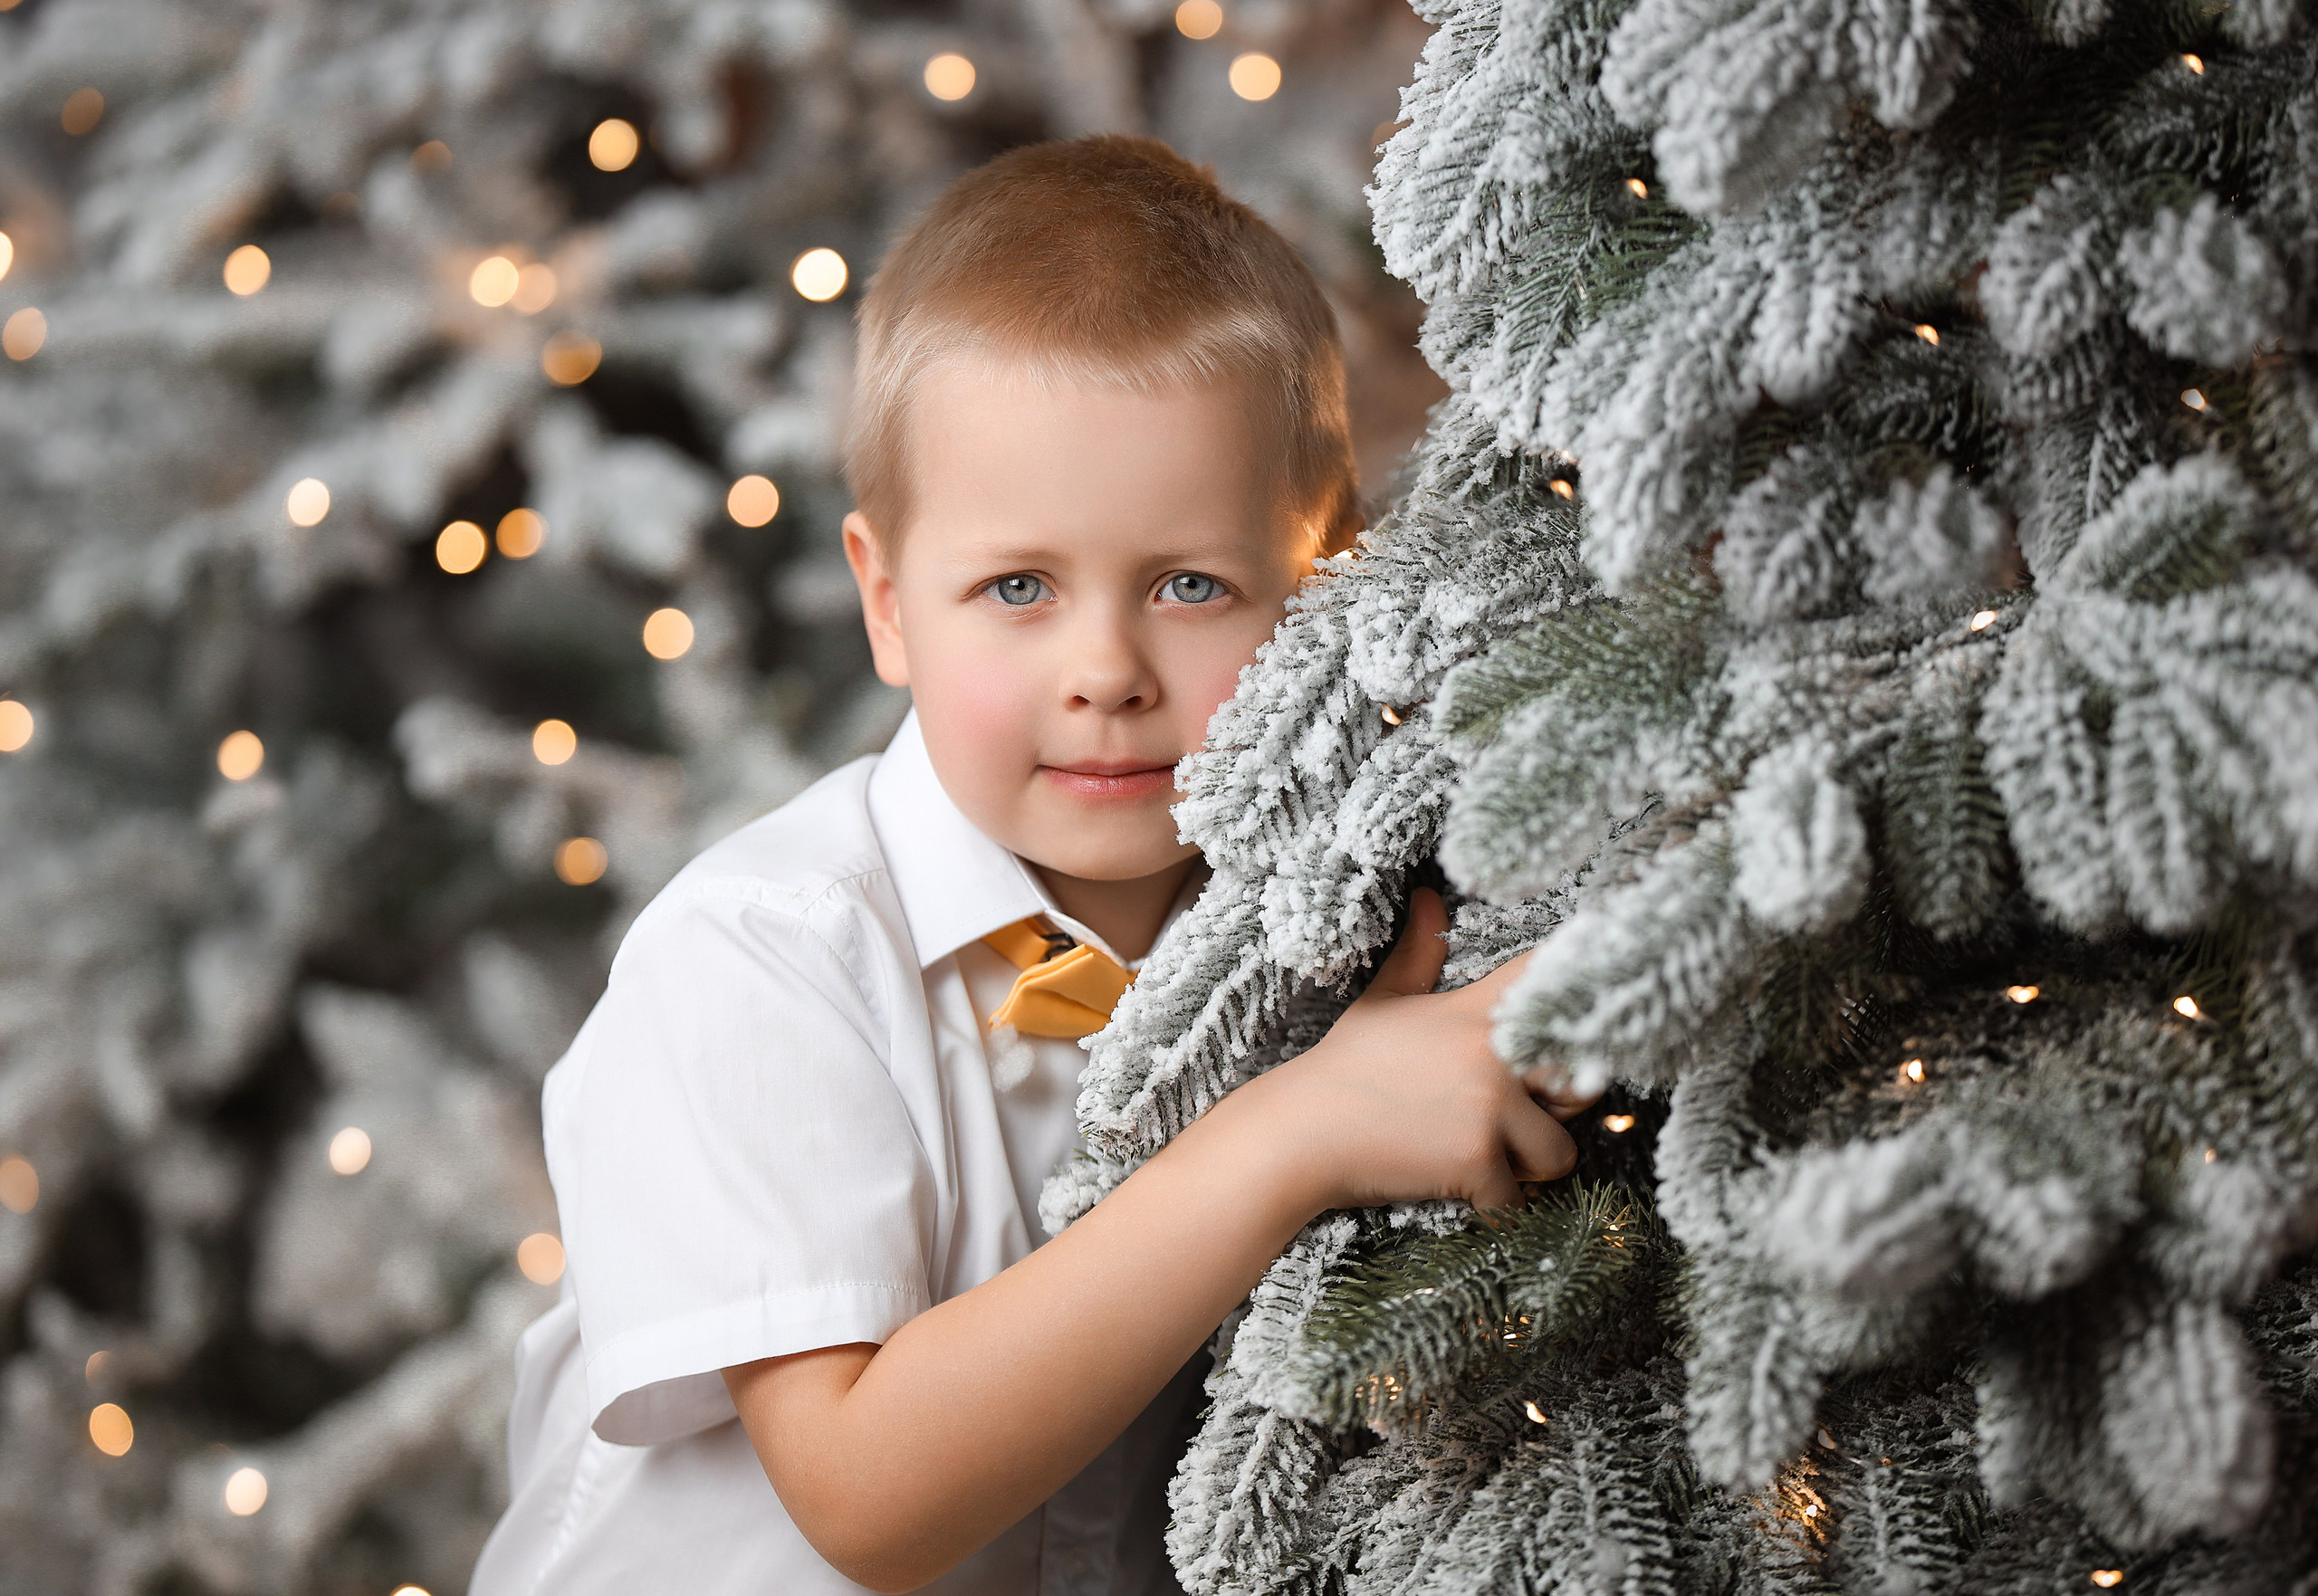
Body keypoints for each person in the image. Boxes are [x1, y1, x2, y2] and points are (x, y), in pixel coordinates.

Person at [469, 136, 1595, 1596]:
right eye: (1018, 588)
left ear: (1326, 575)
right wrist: (1295, 1136)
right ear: (887, 605)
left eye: (1192, 584)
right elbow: (868, 1499)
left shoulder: (1337, 926)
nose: (1107, 672)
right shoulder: (760, 957)